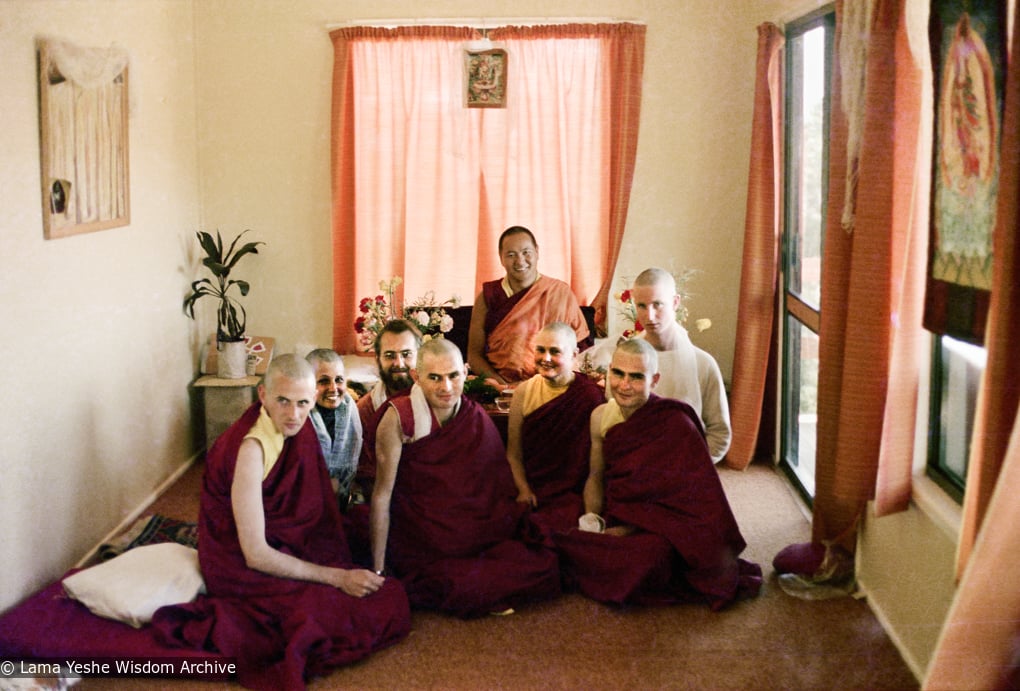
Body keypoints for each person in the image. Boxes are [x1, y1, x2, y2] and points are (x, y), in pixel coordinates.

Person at [153, 355, 410, 689]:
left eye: (304, 403)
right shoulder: (250, 450)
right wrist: (337, 577)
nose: (294, 414)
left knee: (370, 554)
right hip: (241, 567)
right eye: (283, 401)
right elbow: (255, 555)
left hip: (283, 540)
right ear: (262, 395)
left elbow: (311, 504)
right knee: (367, 609)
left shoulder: (297, 429)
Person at [555, 339, 761, 611]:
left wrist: (625, 530)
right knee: (558, 528)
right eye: (618, 373)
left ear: (654, 380)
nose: (624, 385)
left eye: (636, 377)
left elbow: (695, 500)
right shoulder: (599, 417)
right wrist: (595, 521)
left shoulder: (675, 422)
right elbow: (595, 474)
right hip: (619, 511)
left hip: (666, 525)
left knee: (650, 558)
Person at [370, 338, 561, 618]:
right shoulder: (399, 417)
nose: (446, 388)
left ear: (466, 372)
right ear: (416, 377)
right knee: (463, 585)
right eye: (434, 378)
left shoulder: (473, 416)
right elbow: (382, 494)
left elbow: (493, 487)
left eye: (453, 376)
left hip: (473, 533)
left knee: (545, 562)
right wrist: (378, 570)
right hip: (422, 539)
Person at [585, 268, 732, 463]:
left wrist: (692, 466)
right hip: (633, 463)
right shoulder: (624, 360)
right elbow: (615, 418)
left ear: (675, 302)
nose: (650, 316)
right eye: (642, 306)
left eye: (658, 305)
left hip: (684, 466)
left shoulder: (703, 364)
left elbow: (719, 433)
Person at [505, 321, 605, 533]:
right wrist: (523, 490)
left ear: (574, 355)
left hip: (570, 493)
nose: (546, 358)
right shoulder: (524, 392)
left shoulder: (590, 397)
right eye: (540, 350)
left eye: (555, 352)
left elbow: (595, 466)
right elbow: (513, 454)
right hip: (530, 486)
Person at [467, 226, 591, 386]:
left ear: (537, 252)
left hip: (550, 385)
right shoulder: (488, 296)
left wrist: (542, 385)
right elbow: (474, 355)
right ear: (501, 258)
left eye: (526, 252)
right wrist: (504, 387)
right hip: (498, 388)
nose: (520, 261)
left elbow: (580, 349)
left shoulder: (559, 293)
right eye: (511, 255)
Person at [355, 319, 423, 492]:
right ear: (377, 359)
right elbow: (366, 475)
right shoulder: (365, 410)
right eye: (390, 355)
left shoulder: (437, 400)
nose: (398, 363)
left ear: (420, 356)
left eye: (406, 354)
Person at [305, 348, 363, 509]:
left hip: (341, 499)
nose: (333, 388)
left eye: (338, 380)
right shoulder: (298, 414)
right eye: (323, 381)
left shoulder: (349, 408)